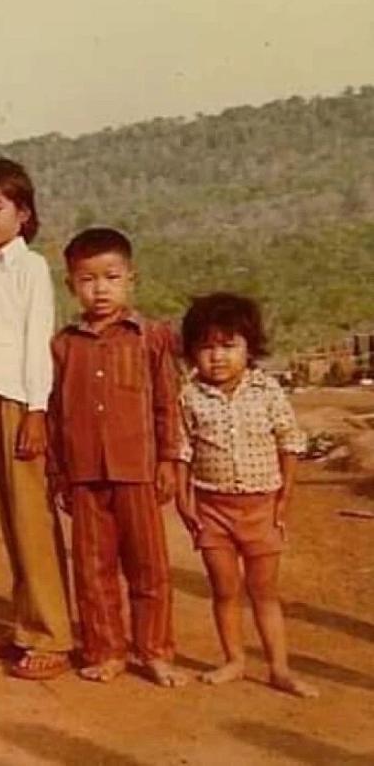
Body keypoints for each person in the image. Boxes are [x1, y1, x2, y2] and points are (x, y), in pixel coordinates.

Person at [48, 227, 186, 686]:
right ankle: (106, 649)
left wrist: (168, 460)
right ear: (71, 285)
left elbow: (167, 403)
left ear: (131, 278)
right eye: (88, 280)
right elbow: (54, 414)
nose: (100, 288)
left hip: (138, 471)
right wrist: (59, 474)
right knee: (93, 569)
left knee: (148, 566)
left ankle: (155, 650)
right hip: (85, 474)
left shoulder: (152, 337)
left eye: (111, 277)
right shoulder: (63, 345)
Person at [0, 158, 74, 680]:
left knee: (32, 518)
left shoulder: (29, 269)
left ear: (23, 213)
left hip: (18, 402)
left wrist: (36, 410)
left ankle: (53, 634)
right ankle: (25, 626)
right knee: (11, 521)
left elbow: (35, 342)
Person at [175, 293, 318, 697]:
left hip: (261, 508)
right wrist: (184, 501)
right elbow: (182, 449)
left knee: (264, 592)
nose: (217, 356)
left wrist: (284, 498)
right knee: (224, 589)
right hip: (213, 509)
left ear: (249, 347)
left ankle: (279, 667)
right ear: (191, 353)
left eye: (228, 345)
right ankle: (234, 660)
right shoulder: (189, 396)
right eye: (206, 347)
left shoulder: (267, 390)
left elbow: (289, 442)